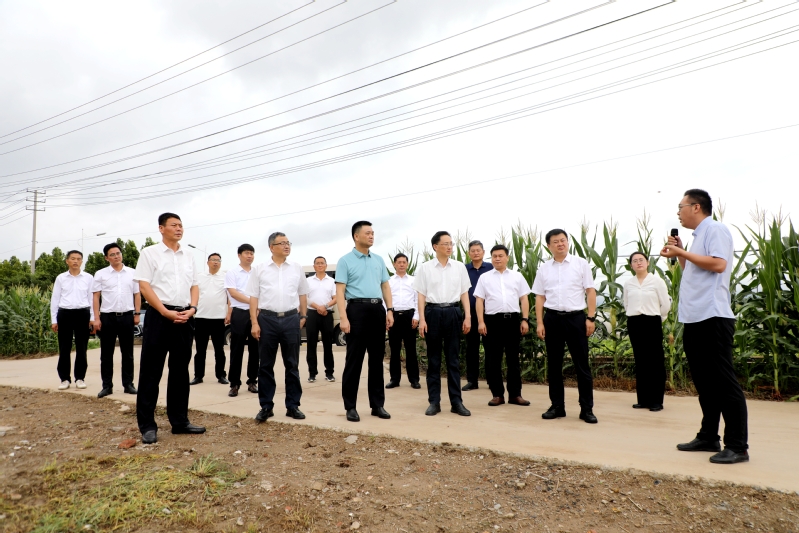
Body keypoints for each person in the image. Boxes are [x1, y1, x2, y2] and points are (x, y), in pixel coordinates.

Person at [660, 188, 749, 464]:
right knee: (705, 383)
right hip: (694, 318)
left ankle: (738, 446)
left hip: (713, 317)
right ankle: (709, 435)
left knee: (723, 382)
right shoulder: (698, 237)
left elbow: (719, 264)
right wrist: (681, 253)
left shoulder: (715, 230)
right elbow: (694, 271)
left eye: (681, 207)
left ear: (696, 207)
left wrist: (682, 251)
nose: (679, 212)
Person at [134, 212, 204, 444]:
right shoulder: (149, 253)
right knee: (151, 372)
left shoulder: (189, 255)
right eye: (174, 225)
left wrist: (193, 308)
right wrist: (164, 311)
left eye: (181, 225)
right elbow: (144, 286)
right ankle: (147, 426)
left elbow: (195, 285)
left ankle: (180, 421)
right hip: (159, 316)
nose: (179, 228)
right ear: (161, 228)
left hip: (185, 316)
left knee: (180, 371)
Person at [532, 229, 598, 424]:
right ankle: (557, 406)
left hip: (576, 319)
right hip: (552, 319)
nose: (560, 244)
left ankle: (586, 409)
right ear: (549, 246)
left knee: (582, 365)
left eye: (563, 240)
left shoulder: (581, 264)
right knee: (554, 365)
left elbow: (590, 291)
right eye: (556, 241)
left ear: (567, 242)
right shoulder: (544, 268)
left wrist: (591, 317)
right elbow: (540, 297)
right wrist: (540, 322)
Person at [246, 232, 309, 422]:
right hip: (267, 320)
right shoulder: (259, 269)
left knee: (292, 365)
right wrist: (254, 322)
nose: (286, 246)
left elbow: (303, 294)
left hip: (291, 319)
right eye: (282, 243)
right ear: (271, 247)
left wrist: (303, 316)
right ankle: (266, 406)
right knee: (265, 365)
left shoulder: (296, 268)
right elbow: (253, 298)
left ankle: (293, 406)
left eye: (288, 242)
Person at [335, 221, 393, 422]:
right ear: (356, 236)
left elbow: (385, 286)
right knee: (354, 361)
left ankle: (377, 405)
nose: (371, 236)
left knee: (376, 360)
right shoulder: (345, 261)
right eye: (367, 233)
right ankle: (350, 407)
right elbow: (340, 291)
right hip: (356, 311)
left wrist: (390, 310)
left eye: (373, 233)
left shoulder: (378, 260)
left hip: (377, 310)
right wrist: (343, 317)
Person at [414, 231, 472, 417]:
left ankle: (457, 402)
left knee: (453, 360)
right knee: (434, 360)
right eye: (445, 243)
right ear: (435, 246)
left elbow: (464, 293)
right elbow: (421, 295)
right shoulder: (425, 268)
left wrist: (468, 316)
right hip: (432, 313)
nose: (449, 247)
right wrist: (422, 319)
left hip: (453, 312)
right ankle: (434, 402)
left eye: (451, 243)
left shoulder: (459, 267)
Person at [474, 244, 531, 407]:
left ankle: (515, 395)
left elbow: (524, 298)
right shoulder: (484, 278)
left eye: (500, 256)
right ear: (491, 258)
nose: (497, 259)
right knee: (493, 359)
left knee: (513, 359)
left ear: (507, 257)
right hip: (492, 321)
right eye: (494, 256)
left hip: (512, 321)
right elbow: (479, 300)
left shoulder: (517, 276)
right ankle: (497, 395)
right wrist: (481, 322)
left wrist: (525, 319)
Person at [92, 242, 141, 398]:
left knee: (128, 353)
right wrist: (96, 318)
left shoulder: (132, 273)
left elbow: (137, 294)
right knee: (106, 354)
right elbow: (96, 296)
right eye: (112, 254)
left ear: (121, 254)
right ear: (106, 258)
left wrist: (137, 314)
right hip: (107, 317)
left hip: (127, 316)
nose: (116, 256)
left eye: (118, 253)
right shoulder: (100, 274)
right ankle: (107, 386)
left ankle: (128, 385)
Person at [623, 251, 670, 412]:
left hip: (652, 321)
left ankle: (656, 401)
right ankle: (642, 400)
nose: (638, 263)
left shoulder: (657, 281)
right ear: (631, 265)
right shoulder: (628, 283)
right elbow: (626, 303)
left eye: (641, 260)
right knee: (640, 360)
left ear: (648, 262)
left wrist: (658, 318)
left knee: (655, 361)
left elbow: (666, 304)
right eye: (635, 261)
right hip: (634, 322)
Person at [50, 250, 95, 391]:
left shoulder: (88, 278)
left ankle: (80, 378)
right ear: (67, 261)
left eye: (78, 259)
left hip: (83, 313)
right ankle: (64, 379)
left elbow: (91, 299)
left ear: (82, 261)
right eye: (73, 258)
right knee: (64, 347)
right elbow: (55, 299)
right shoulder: (61, 278)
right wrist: (54, 319)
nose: (76, 261)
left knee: (82, 347)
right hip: (65, 314)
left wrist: (92, 318)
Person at [190, 253, 230, 386]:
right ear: (208, 262)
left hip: (218, 318)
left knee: (219, 350)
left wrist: (229, 313)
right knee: (200, 350)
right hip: (201, 317)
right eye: (213, 260)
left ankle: (221, 375)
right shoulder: (199, 276)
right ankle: (198, 376)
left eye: (218, 260)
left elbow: (230, 297)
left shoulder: (225, 277)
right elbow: (193, 293)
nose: (216, 262)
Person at [225, 244, 259, 397]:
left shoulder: (257, 272)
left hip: (257, 314)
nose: (249, 256)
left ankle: (252, 381)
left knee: (255, 349)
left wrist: (256, 306)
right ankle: (234, 384)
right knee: (236, 349)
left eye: (252, 253)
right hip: (239, 313)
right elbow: (233, 293)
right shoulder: (232, 272)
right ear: (239, 255)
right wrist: (252, 302)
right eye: (247, 253)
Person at [385, 253, 420, 389]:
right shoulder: (388, 281)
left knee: (411, 349)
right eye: (399, 262)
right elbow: (384, 300)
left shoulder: (413, 280)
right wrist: (387, 316)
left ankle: (414, 380)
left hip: (409, 316)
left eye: (404, 262)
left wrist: (416, 316)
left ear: (407, 264)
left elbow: (417, 300)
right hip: (393, 316)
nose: (401, 264)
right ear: (394, 264)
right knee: (394, 349)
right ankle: (394, 379)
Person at [463, 240, 492, 391]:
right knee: (471, 348)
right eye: (473, 251)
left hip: (490, 313)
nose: (475, 253)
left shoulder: (491, 268)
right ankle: (472, 381)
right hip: (470, 314)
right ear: (469, 253)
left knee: (491, 347)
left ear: (483, 252)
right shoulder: (464, 270)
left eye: (478, 250)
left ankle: (492, 380)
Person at [305, 256, 337, 383]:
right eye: (317, 263)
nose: (320, 265)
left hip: (327, 314)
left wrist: (325, 306)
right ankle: (312, 373)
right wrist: (318, 307)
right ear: (314, 266)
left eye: (322, 263)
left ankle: (329, 372)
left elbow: (335, 298)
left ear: (326, 265)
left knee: (328, 344)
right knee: (311, 344)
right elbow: (305, 298)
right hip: (312, 314)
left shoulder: (332, 281)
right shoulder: (308, 281)